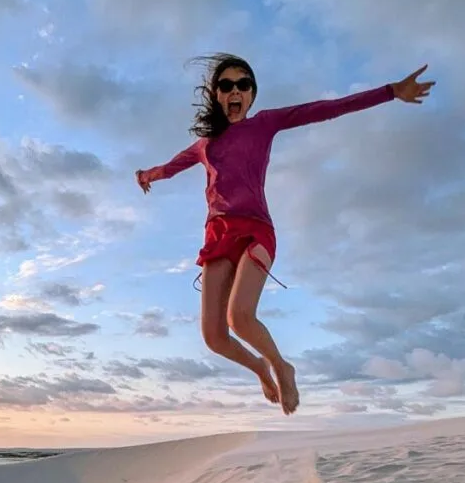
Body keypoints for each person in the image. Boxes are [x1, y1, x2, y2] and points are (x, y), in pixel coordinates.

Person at [136, 54, 435, 415]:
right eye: (227, 85)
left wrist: (390, 92)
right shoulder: (205, 144)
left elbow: (326, 109)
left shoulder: (265, 123)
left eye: (243, 85)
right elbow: (169, 168)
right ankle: (260, 367)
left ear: (251, 95)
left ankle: (280, 366)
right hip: (218, 237)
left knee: (239, 317)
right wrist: (144, 176)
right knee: (214, 338)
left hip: (256, 231)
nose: (235, 91)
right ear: (216, 93)